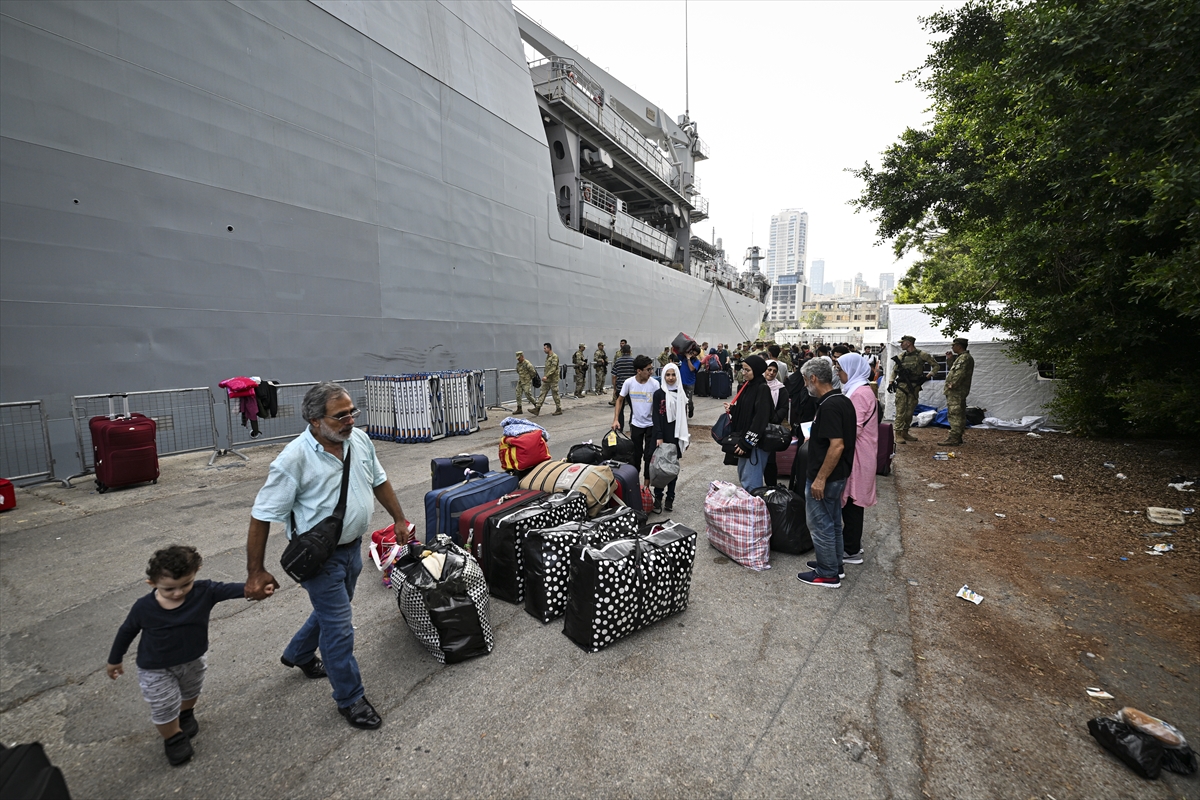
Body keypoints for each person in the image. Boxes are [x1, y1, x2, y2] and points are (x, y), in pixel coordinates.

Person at [245, 382, 413, 730]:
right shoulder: (293, 459)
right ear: (313, 419)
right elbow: (262, 515)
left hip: (352, 549)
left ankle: (299, 654)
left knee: (331, 611)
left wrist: (398, 518)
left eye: (353, 412)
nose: (350, 420)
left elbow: (378, 481)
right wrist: (255, 571)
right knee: (339, 629)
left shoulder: (359, 441)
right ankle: (350, 699)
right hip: (318, 560)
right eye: (340, 416)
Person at [107, 545, 246, 766]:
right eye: (169, 589)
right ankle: (173, 738)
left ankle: (186, 714)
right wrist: (115, 659)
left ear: (196, 573)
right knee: (163, 705)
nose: (179, 593)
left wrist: (257, 587)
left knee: (191, 691)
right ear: (152, 584)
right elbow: (126, 631)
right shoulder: (144, 608)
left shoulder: (204, 591)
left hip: (193, 659)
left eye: (186, 584)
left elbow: (232, 589)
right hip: (155, 668)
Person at [796, 358, 856, 588]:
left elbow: (837, 445)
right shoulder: (841, 401)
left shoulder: (830, 405)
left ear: (813, 379)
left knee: (820, 524)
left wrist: (820, 478)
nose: (804, 386)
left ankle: (827, 572)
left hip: (827, 476)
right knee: (831, 522)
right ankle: (834, 564)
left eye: (805, 380)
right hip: (837, 474)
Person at [834, 353, 878, 566]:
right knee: (852, 500)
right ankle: (852, 543)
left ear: (851, 369)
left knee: (852, 501)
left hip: (859, 454)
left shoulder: (859, 394)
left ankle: (851, 550)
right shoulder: (859, 389)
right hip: (861, 452)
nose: (838, 373)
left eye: (840, 369)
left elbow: (853, 428)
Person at [723, 355, 774, 491]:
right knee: (744, 477)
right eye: (743, 369)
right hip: (744, 439)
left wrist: (747, 443)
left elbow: (760, 419)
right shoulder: (748, 386)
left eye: (747, 370)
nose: (743, 373)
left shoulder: (762, 388)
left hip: (755, 444)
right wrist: (733, 409)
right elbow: (747, 410)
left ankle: (754, 509)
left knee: (751, 483)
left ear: (756, 371)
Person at [612, 355, 660, 487]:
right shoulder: (629, 383)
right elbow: (619, 399)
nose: (651, 372)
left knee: (649, 456)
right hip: (636, 424)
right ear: (639, 371)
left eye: (651, 369)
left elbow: (659, 406)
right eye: (648, 369)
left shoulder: (655, 384)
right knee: (635, 456)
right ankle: (634, 485)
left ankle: (646, 487)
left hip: (651, 425)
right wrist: (616, 419)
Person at [651, 363, 689, 513]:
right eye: (668, 375)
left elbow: (684, 418)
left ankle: (670, 498)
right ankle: (658, 497)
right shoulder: (659, 394)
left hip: (675, 435)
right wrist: (659, 435)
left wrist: (685, 437)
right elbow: (655, 416)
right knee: (660, 468)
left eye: (673, 375)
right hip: (662, 435)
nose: (671, 378)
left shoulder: (681, 392)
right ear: (663, 376)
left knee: (672, 468)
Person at [889, 335, 940, 443]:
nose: (901, 345)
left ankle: (905, 432)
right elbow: (894, 370)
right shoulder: (901, 356)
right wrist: (891, 381)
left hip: (914, 386)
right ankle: (898, 434)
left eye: (903, 342)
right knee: (900, 411)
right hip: (902, 386)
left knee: (910, 411)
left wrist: (929, 375)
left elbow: (936, 365)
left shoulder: (922, 355)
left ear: (908, 343)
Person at [940, 337, 975, 446]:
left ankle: (954, 437)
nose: (952, 347)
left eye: (953, 345)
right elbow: (954, 370)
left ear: (959, 346)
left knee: (955, 413)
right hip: (956, 391)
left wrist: (953, 384)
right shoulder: (961, 358)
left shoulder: (965, 358)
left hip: (957, 391)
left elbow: (960, 373)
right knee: (957, 413)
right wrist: (950, 359)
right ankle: (956, 436)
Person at [761, 360, 790, 486]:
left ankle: (771, 486)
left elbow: (784, 407)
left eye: (774, 371)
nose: (771, 373)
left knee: (770, 460)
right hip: (757, 426)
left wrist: (775, 419)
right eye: (769, 369)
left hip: (771, 428)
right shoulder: (758, 385)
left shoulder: (780, 388)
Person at [610, 344, 636, 426]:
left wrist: (615, 388)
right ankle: (632, 424)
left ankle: (619, 426)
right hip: (632, 388)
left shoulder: (618, 361)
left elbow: (614, 376)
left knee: (620, 409)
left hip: (620, 387)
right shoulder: (633, 361)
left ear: (621, 351)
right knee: (634, 408)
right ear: (630, 351)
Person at [533, 342, 562, 416]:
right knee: (542, 392)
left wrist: (547, 376)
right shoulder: (548, 357)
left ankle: (559, 409)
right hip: (547, 380)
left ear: (549, 348)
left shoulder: (554, 357)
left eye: (545, 348)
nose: (544, 350)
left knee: (555, 394)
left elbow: (553, 368)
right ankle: (537, 409)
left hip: (553, 380)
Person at [678, 343, 701, 417]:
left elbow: (692, 369)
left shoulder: (697, 362)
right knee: (682, 400)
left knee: (689, 400)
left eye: (695, 354)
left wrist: (688, 359)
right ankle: (684, 417)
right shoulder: (684, 358)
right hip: (681, 382)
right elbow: (676, 351)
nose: (693, 355)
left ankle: (691, 408)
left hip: (690, 383)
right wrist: (686, 351)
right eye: (692, 353)